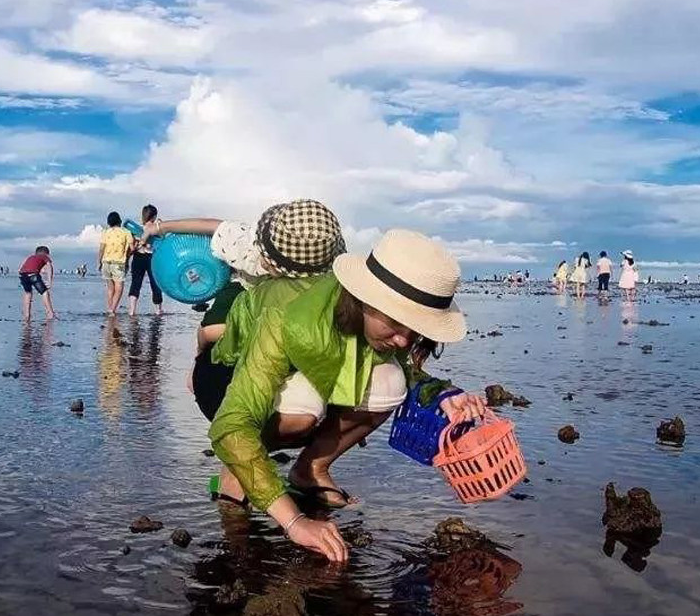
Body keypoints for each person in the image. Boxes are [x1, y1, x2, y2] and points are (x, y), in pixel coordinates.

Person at [209, 228, 486, 563]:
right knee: (299, 412)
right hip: (226, 375)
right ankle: (237, 468)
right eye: (396, 323)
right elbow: (232, 424)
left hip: (307, 365)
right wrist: (295, 522)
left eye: (416, 331)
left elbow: (404, 367)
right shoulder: (285, 316)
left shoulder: (381, 326)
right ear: (364, 298)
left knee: (392, 382)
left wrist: (442, 393)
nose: (403, 341)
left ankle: (309, 469)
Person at [147, 201, 345, 422]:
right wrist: (159, 228)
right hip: (244, 286)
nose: (265, 261)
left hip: (280, 311)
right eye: (266, 255)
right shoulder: (251, 246)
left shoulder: (320, 285)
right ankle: (198, 361)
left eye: (272, 261)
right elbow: (211, 226)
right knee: (211, 331)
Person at [128, 204, 163, 317]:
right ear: (154, 216)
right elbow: (162, 241)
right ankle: (158, 310)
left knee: (135, 283)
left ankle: (132, 310)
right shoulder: (157, 228)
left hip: (138, 256)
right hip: (152, 257)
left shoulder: (137, 229)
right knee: (156, 283)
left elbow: (133, 245)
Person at [98, 211, 134, 316]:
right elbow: (132, 248)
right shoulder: (126, 232)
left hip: (106, 262)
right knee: (119, 288)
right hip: (118, 263)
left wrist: (99, 262)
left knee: (110, 288)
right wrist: (130, 253)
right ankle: (112, 310)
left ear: (108, 222)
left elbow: (101, 249)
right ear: (120, 221)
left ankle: (110, 308)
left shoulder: (105, 232)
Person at [18, 246, 56, 321]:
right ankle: (50, 313)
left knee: (28, 293)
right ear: (46, 253)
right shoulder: (44, 256)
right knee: (44, 292)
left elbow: (22, 268)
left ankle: (26, 314)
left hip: (23, 275)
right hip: (33, 275)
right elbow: (49, 267)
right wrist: (49, 281)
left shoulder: (31, 257)